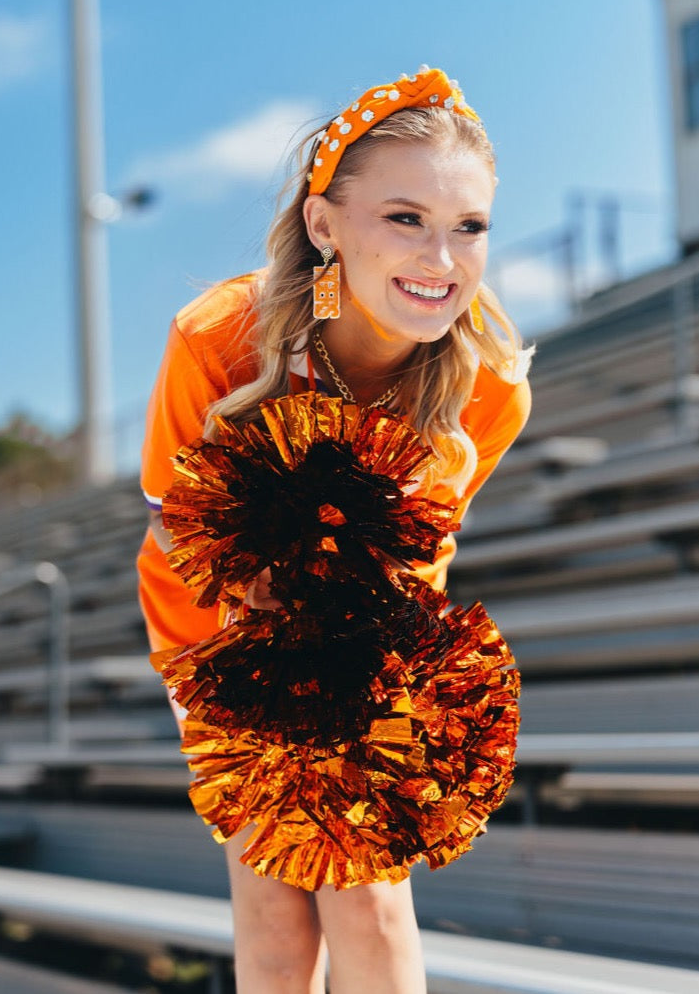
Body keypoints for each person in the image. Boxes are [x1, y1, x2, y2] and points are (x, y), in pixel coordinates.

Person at [136, 65, 533, 994]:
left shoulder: (488, 387)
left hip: (370, 636)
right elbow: (173, 540)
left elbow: (416, 559)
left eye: (467, 226)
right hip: (221, 634)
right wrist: (255, 628)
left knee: (366, 891)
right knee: (273, 907)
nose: (440, 258)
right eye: (405, 218)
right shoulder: (217, 339)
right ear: (324, 225)